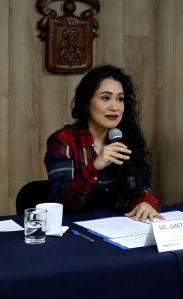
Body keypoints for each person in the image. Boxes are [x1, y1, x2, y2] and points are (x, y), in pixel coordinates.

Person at [45, 65, 162, 221]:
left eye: (120, 99)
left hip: (114, 225)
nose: (115, 107)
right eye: (105, 98)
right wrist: (95, 166)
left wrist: (147, 202)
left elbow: (140, 187)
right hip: (73, 227)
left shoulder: (124, 137)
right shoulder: (63, 140)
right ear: (87, 101)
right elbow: (62, 202)